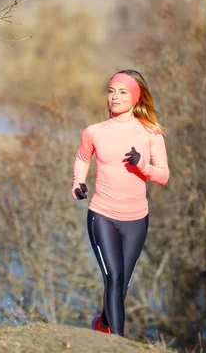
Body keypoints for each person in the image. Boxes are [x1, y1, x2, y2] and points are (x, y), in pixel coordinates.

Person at [71, 69, 170, 337]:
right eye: (112, 91)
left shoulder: (151, 133)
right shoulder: (94, 132)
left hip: (137, 220)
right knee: (113, 279)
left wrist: (142, 165)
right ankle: (117, 343)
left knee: (121, 285)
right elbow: (83, 158)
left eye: (122, 91)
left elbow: (163, 175)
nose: (115, 96)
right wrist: (78, 182)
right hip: (102, 216)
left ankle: (103, 324)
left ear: (136, 98)